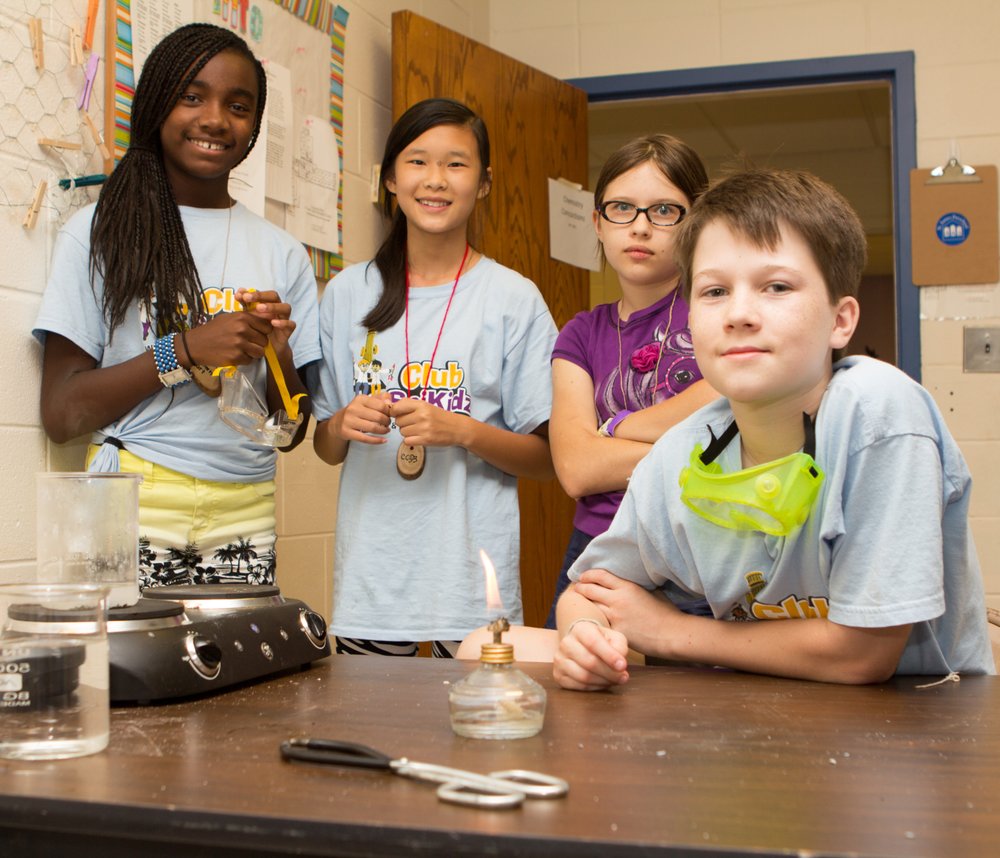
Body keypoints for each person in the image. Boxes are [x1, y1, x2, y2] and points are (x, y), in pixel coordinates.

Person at [477, 167, 994, 684]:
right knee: (482, 644)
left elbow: (864, 655)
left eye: (775, 286)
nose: (739, 314)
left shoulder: (879, 411)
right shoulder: (683, 450)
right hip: (758, 713)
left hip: (914, 717)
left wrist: (669, 633)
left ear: (841, 321)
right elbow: (589, 592)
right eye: (714, 291)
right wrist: (586, 638)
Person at [33, 23, 320, 588]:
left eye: (238, 105)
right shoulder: (98, 233)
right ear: (157, 103)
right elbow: (62, 414)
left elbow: (291, 431)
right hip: (133, 499)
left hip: (245, 507)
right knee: (129, 674)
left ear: (255, 126)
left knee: (239, 675)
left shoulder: (284, 254)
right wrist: (183, 350)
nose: (215, 118)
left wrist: (279, 358)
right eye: (192, 96)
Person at [312, 98, 557, 657]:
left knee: (475, 737)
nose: (436, 180)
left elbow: (546, 461)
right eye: (418, 162)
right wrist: (344, 423)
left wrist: (463, 431)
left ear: (485, 183)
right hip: (371, 582)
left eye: (456, 164)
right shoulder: (348, 293)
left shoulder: (512, 299)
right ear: (391, 180)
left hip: (472, 586)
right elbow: (326, 449)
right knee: (375, 736)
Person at [545, 135, 718, 627]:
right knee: (572, 683)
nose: (640, 227)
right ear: (598, 223)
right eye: (622, 208)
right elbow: (577, 469)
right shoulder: (580, 333)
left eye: (664, 210)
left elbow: (728, 403)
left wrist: (618, 427)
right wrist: (696, 453)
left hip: (704, 542)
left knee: (702, 700)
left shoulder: (716, 306)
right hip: (602, 539)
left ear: (695, 224)